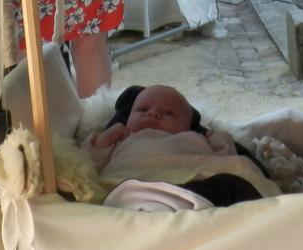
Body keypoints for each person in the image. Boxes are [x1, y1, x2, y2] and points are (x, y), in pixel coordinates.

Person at [83, 84, 280, 208]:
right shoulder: (122, 138)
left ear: (188, 125)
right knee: (122, 197)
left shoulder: (195, 138)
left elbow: (230, 158)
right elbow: (87, 165)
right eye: (142, 109)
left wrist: (220, 139)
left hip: (196, 181)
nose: (152, 114)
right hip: (134, 185)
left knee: (237, 181)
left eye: (168, 113)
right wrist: (104, 139)